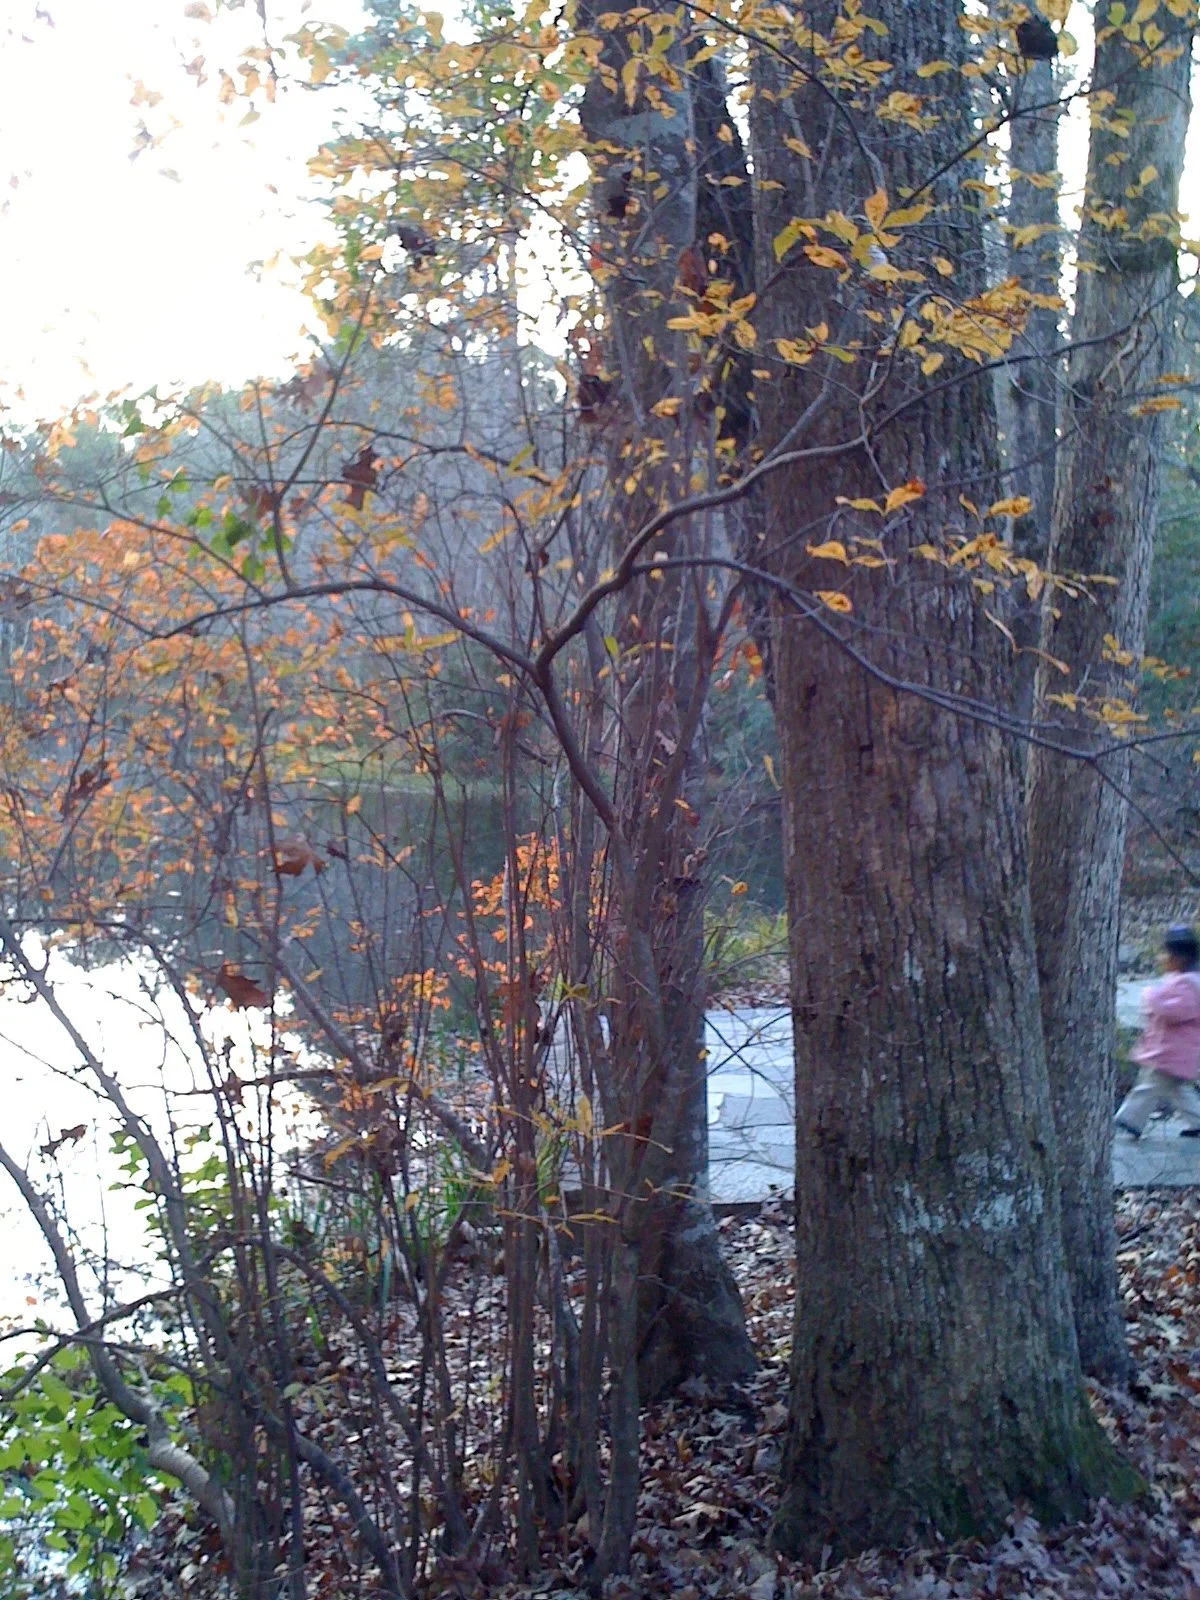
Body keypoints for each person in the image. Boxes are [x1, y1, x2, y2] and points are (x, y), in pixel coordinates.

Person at [1115, 923, 1200, 1139]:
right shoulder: (1179, 981)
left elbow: (1173, 1011)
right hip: (1173, 1052)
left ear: (1180, 958)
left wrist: (1151, 997)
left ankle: (1128, 1120)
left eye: (1166, 954)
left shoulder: (1190, 985)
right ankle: (1198, 1121)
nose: (1162, 958)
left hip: (1171, 1053)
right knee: (1180, 1091)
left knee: (1147, 1086)